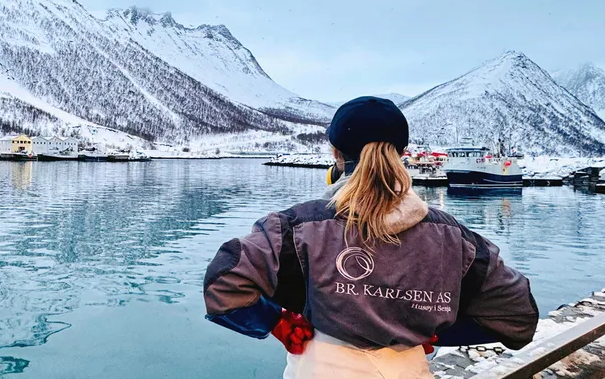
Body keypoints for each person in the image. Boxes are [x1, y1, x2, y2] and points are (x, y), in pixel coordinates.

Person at [203, 96, 538, 378]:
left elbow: (224, 285)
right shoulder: (455, 238)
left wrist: (276, 322)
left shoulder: (295, 227)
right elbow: (517, 316)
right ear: (401, 153)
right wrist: (434, 329)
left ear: (336, 153)